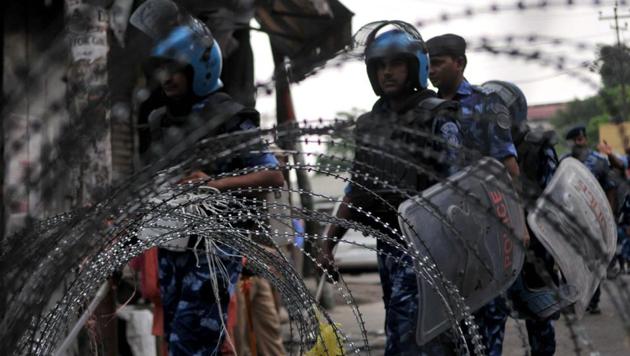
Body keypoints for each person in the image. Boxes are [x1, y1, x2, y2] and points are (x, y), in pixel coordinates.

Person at [139, 19, 284, 355]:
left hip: (212, 250)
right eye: (162, 69)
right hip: (171, 244)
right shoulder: (161, 119)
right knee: (184, 338)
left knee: (189, 345)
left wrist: (214, 184)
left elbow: (271, 175)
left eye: (176, 69)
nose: (168, 78)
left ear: (201, 68)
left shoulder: (229, 117)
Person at [320, 20, 462, 355]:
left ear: (415, 66)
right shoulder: (369, 125)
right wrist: (329, 243)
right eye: (380, 66)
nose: (387, 72)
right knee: (402, 333)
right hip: (388, 244)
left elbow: (460, 186)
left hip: (428, 247)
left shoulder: (438, 116)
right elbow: (356, 189)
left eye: (396, 63)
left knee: (414, 337)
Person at [427, 34, 526, 355]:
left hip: (486, 226)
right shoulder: (428, 108)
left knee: (489, 314)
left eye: (438, 63)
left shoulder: (486, 103)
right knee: (451, 323)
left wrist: (518, 224)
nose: (431, 70)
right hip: (442, 228)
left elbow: (508, 166)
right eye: (428, 64)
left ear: (459, 63)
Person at [479, 80, 560, 356]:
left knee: (541, 322)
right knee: (490, 325)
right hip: (495, 245)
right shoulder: (480, 149)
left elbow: (554, 198)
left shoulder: (538, 146)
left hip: (535, 243)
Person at [563, 125, 617, 315]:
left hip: (594, 221)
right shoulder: (565, 162)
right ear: (572, 142)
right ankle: (573, 298)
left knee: (593, 260)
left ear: (585, 139)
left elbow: (610, 187)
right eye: (577, 140)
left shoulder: (599, 162)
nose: (580, 142)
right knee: (571, 260)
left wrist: (608, 216)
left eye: (582, 138)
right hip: (571, 220)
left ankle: (593, 300)